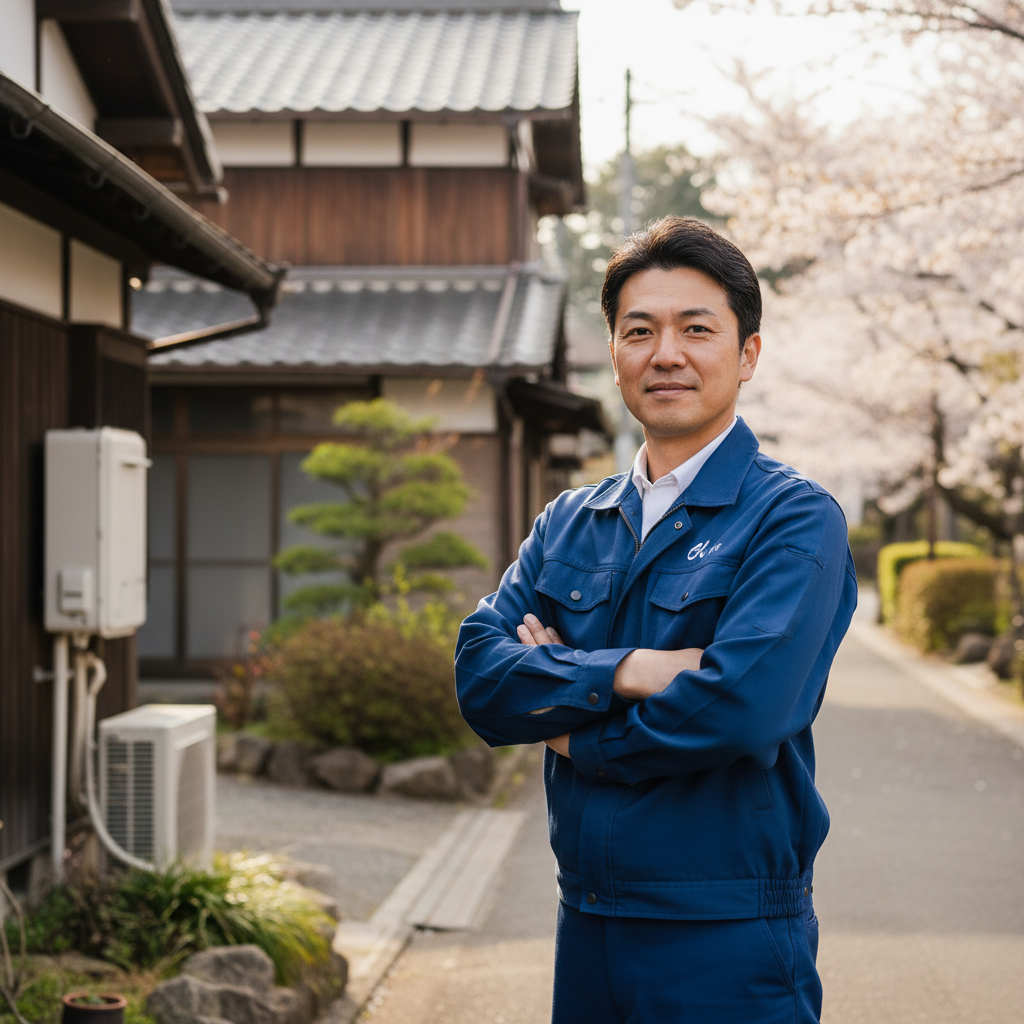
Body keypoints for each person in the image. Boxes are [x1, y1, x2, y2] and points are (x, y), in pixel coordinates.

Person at [455, 216, 856, 1023]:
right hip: (588, 925)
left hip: (727, 936)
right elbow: (482, 678)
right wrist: (632, 670)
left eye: (695, 329)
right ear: (613, 352)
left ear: (747, 354)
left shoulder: (792, 519)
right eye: (639, 330)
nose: (664, 353)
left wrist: (568, 725)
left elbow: (741, 709)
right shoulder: (571, 519)